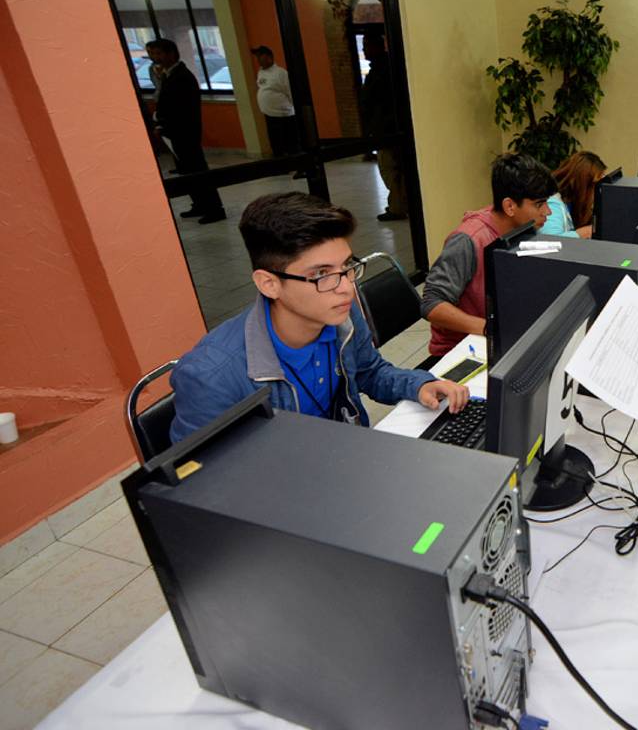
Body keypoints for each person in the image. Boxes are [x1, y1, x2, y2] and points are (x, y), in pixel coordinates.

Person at [169, 192, 467, 443]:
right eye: (321, 274)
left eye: (347, 266)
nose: (347, 287)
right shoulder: (211, 376)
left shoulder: (340, 314)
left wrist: (417, 385)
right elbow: (205, 490)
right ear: (268, 284)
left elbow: (369, 372)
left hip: (348, 461)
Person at [421, 153, 555, 356]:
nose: (547, 212)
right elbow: (431, 305)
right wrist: (490, 329)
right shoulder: (468, 240)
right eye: (539, 204)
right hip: (462, 349)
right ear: (509, 206)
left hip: (498, 336)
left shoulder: (520, 228)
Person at [146, 38, 226, 223]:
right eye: (152, 53)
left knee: (197, 170)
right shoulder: (166, 75)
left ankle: (214, 208)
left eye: (158, 53)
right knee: (186, 171)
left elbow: (181, 109)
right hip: (174, 132)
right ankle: (199, 204)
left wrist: (163, 124)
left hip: (185, 132)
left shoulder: (182, 76)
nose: (155, 57)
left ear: (171, 53)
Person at [360, 32, 408, 221]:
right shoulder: (383, 68)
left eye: (366, 46)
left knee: (390, 170)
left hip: (387, 131)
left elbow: (378, 104)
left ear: (377, 47)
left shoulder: (382, 71)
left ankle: (397, 207)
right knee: (396, 171)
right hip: (387, 129)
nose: (364, 50)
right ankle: (400, 204)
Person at [540, 151, 606, 238]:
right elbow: (549, 241)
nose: (600, 191)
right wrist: (583, 233)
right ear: (583, 184)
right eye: (596, 185)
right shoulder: (552, 204)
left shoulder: (574, 202)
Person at [250, 45, 300, 158]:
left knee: (291, 142)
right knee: (276, 142)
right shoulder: (261, 72)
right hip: (270, 114)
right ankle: (282, 166)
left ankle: (298, 165)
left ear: (269, 57)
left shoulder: (281, 73)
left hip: (284, 114)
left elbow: (290, 90)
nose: (258, 60)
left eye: (260, 57)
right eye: (257, 57)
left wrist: (294, 107)